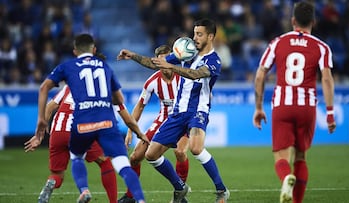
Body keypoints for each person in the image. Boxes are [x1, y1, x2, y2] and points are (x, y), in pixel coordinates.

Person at [117, 18, 230, 203]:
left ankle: (221, 190)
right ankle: (180, 187)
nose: (195, 38)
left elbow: (196, 74)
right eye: (194, 33)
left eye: (199, 34)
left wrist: (173, 67)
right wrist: (133, 56)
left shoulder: (214, 60)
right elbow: (156, 64)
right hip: (178, 113)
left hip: (198, 111)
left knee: (195, 148)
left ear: (210, 37)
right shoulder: (187, 53)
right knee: (150, 155)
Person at [31, 33, 149, 203]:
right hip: (87, 125)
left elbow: (49, 104)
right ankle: (128, 200)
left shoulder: (70, 79)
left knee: (61, 170)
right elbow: (123, 108)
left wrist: (40, 128)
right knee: (109, 162)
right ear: (94, 51)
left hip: (59, 129)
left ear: (74, 52)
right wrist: (138, 133)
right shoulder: (105, 74)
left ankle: (71, 187)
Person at [252, 1, 336, 203]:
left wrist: (258, 107)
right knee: (300, 157)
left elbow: (260, 75)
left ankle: (285, 178)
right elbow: (326, 78)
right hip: (307, 107)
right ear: (313, 22)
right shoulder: (322, 47)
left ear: (292, 21)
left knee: (281, 158)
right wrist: (330, 113)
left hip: (283, 105)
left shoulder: (278, 42)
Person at [118, 45, 190, 203]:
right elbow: (140, 106)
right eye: (161, 60)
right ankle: (130, 196)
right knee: (135, 157)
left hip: (183, 121)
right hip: (162, 121)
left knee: (180, 152)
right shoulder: (152, 82)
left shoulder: (184, 77)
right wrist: (131, 131)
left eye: (168, 58)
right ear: (157, 62)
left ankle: (180, 194)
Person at [24, 84, 118, 203]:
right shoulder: (97, 89)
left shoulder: (68, 86)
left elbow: (49, 107)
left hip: (58, 131)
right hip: (78, 130)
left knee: (57, 174)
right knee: (105, 162)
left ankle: (51, 183)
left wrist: (38, 136)